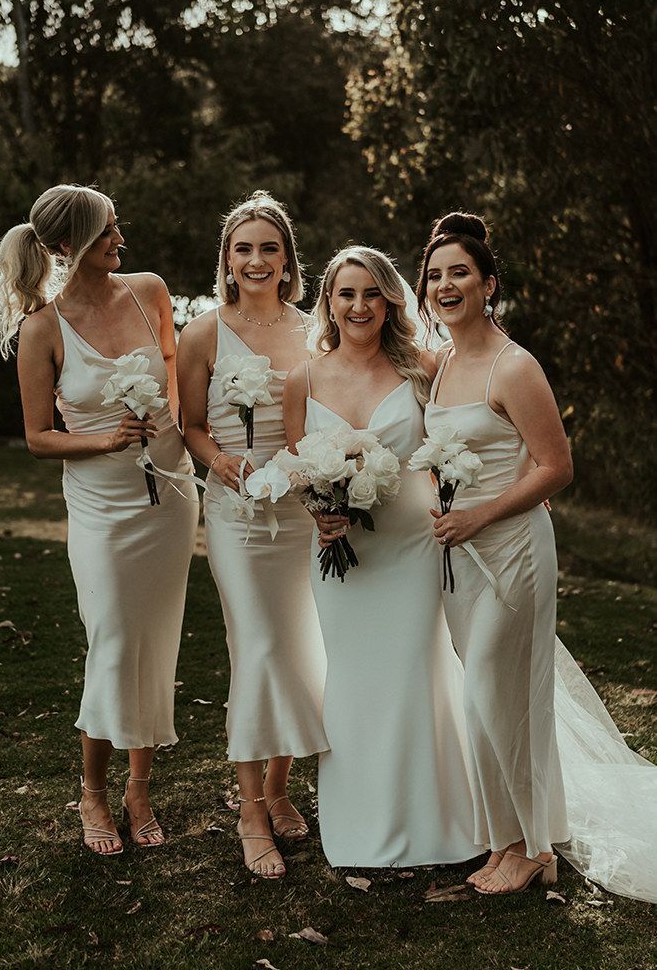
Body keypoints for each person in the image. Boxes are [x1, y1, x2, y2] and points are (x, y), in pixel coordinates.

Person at [418, 212, 657, 901]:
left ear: (488, 284)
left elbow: (555, 467)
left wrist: (480, 515)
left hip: (513, 550)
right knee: (482, 702)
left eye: (459, 272)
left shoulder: (512, 365)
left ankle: (533, 847)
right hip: (460, 559)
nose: (444, 285)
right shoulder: (442, 367)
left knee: (507, 698)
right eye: (433, 276)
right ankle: (504, 840)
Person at [0, 184, 198, 855]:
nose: (121, 241)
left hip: (166, 493)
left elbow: (171, 371)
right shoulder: (42, 328)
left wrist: (169, 429)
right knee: (112, 640)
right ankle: (92, 792)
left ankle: (140, 791)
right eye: (108, 232)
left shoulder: (151, 290)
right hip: (101, 505)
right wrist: (107, 441)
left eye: (117, 228)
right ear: (64, 247)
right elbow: (38, 436)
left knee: (154, 643)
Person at [283, 245, 484, 868]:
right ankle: (359, 827)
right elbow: (297, 472)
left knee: (411, 678)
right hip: (342, 557)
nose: (359, 305)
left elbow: (457, 444)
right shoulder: (303, 380)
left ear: (390, 300)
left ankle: (434, 823)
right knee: (351, 681)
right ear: (329, 303)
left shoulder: (424, 369)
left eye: (371, 292)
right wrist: (319, 515)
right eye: (346, 293)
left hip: (414, 549)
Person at [177, 191, 328, 880]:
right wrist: (222, 463)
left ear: (288, 261)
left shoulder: (313, 330)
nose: (257, 259)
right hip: (235, 515)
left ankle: (278, 786)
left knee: (297, 649)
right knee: (257, 647)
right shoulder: (203, 333)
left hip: (296, 510)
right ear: (227, 261)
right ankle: (248, 809)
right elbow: (190, 427)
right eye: (244, 249)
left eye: (269, 248)